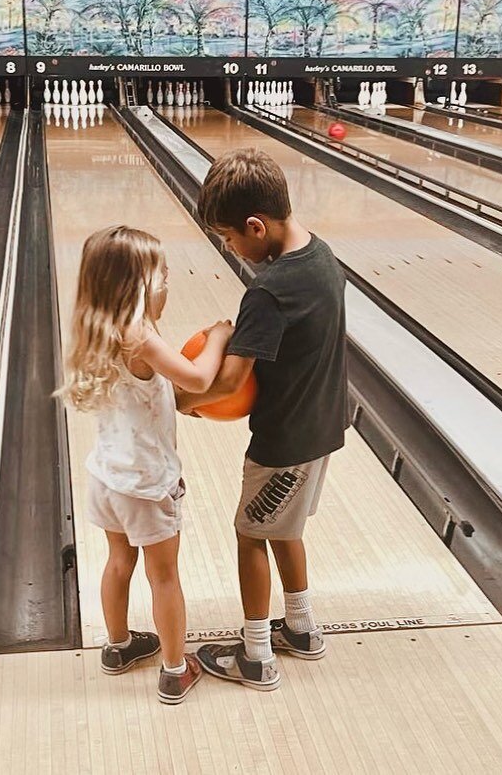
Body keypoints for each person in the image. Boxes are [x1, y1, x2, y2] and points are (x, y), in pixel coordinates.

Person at [178, 149, 349, 690]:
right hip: (323, 426)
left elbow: (228, 383)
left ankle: (255, 655)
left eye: (230, 238)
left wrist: (181, 402)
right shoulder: (322, 257)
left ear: (256, 225)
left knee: (250, 534)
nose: (232, 248)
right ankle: (300, 628)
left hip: (282, 440)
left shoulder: (268, 290)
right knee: (284, 528)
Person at [58, 225, 233, 704]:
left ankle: (118, 646)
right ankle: (176, 670)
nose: (169, 281)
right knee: (164, 577)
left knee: (119, 562)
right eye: (162, 273)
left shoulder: (97, 326)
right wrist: (218, 335)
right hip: (147, 485)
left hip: (106, 478)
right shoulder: (139, 336)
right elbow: (197, 378)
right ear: (136, 283)